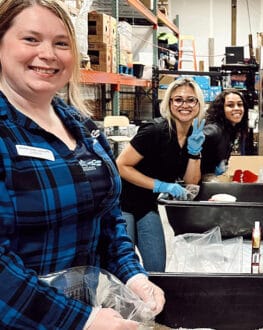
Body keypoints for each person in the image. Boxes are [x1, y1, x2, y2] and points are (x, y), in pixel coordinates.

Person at [0, 1, 164, 329]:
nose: (48, 54)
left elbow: (107, 218)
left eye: (61, 43)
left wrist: (132, 275)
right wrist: (83, 320)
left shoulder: (82, 127)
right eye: (31, 39)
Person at [116, 77, 206, 272]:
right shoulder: (154, 131)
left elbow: (191, 182)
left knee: (157, 269)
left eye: (191, 100)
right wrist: (161, 185)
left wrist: (195, 152)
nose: (185, 105)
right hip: (122, 203)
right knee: (125, 268)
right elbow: (121, 166)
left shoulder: (194, 135)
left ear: (199, 104)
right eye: (178, 100)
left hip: (147, 205)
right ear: (169, 103)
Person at [201, 89, 248, 181]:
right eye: (230, 105)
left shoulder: (230, 130)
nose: (237, 108)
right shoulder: (214, 130)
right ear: (221, 109)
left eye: (240, 104)